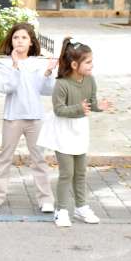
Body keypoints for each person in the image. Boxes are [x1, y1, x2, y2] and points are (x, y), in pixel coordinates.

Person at [39, 37, 111, 228]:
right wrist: (79, 109)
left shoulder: (90, 80)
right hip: (62, 131)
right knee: (66, 173)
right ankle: (61, 210)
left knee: (80, 172)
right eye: (88, 62)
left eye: (91, 61)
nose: (92, 65)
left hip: (80, 130)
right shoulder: (61, 84)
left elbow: (91, 104)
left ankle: (81, 207)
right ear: (74, 64)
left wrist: (99, 107)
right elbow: (59, 110)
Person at [0, 22, 57, 212]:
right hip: (13, 118)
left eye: (24, 37)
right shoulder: (4, 63)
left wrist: (49, 72)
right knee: (4, 158)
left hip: (35, 118)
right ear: (11, 40)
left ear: (31, 42)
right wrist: (15, 67)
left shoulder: (38, 63)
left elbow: (46, 90)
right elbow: (7, 87)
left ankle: (46, 200)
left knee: (39, 160)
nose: (19, 41)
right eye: (16, 37)